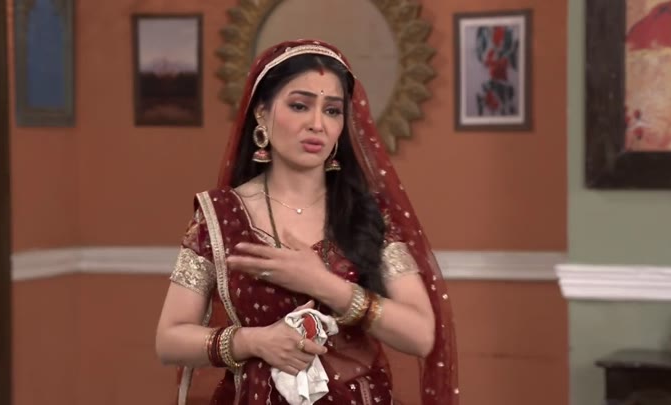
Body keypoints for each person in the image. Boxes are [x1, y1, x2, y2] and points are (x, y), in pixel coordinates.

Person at [155, 39, 458, 404]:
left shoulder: (368, 214)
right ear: (262, 114)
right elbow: (169, 340)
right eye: (299, 106)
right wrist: (253, 341)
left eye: (332, 111)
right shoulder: (220, 216)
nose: (317, 124)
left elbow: (421, 335)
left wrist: (323, 284)